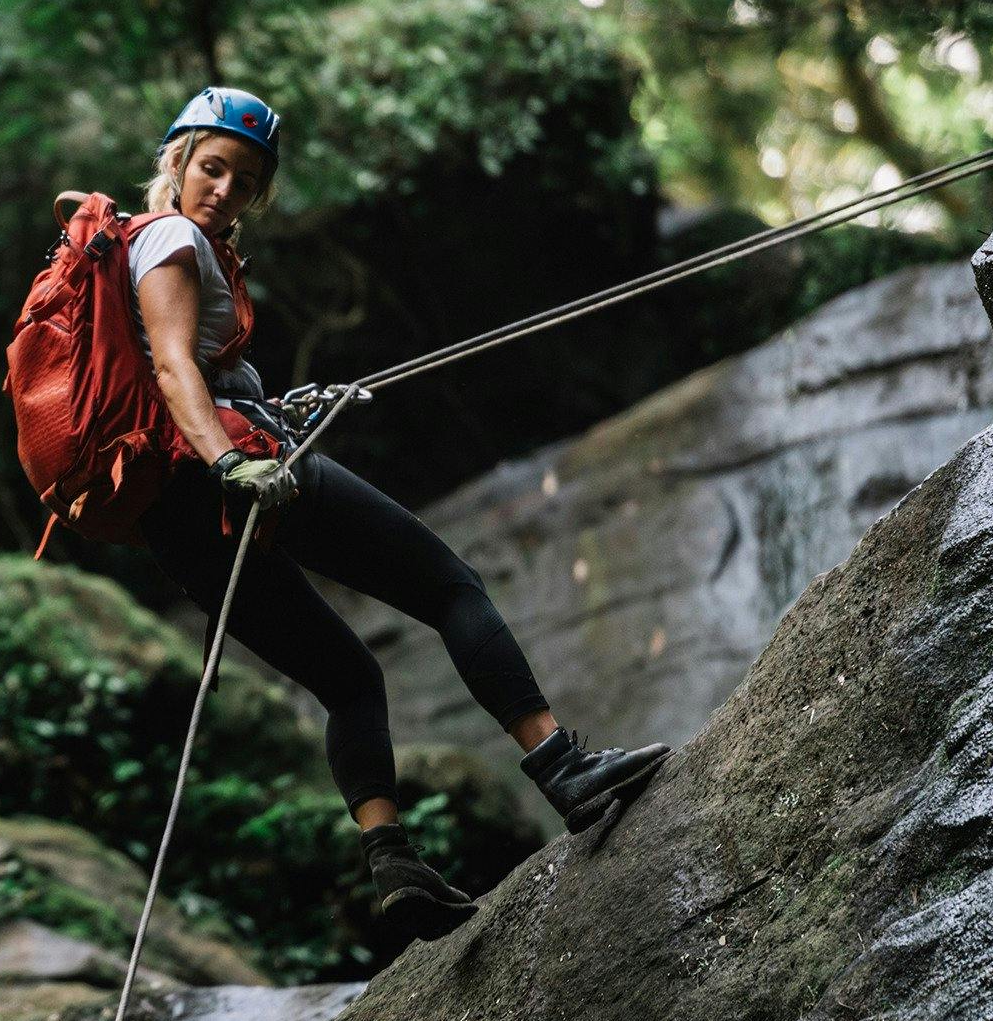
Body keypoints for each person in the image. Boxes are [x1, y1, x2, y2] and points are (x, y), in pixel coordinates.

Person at [130, 86, 670, 945]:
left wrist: (269, 407)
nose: (225, 189)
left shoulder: (161, 248)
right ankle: (565, 769)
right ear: (178, 162)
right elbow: (169, 369)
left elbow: (183, 369)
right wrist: (234, 460)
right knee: (451, 587)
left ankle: (393, 862)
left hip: (176, 518)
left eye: (245, 178)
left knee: (349, 679)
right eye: (212, 167)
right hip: (231, 479)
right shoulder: (169, 237)